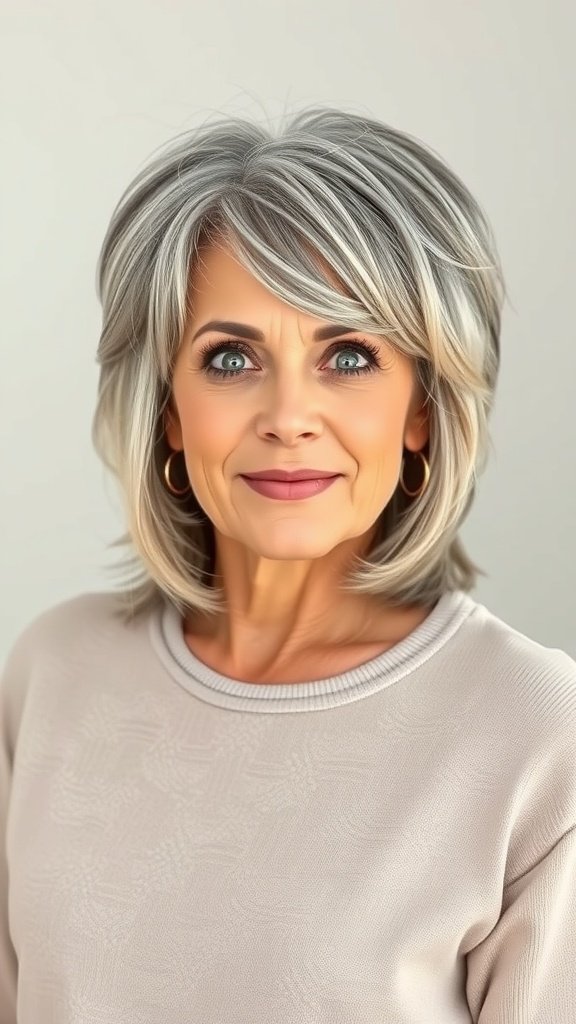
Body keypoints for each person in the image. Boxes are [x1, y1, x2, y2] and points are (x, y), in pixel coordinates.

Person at [1, 106, 575, 1023]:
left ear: (422, 410)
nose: (288, 417)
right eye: (231, 358)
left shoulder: (537, 729)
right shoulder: (54, 672)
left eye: (349, 355)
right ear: (169, 410)